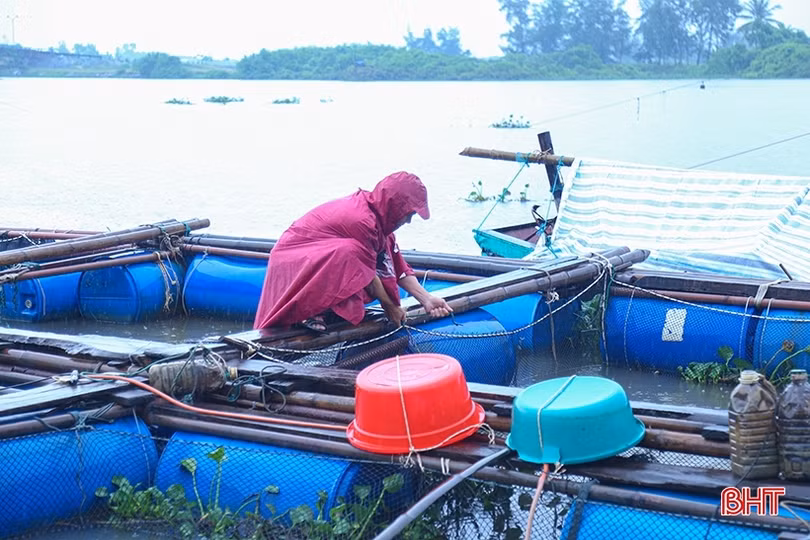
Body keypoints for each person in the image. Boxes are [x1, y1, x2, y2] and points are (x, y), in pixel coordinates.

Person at [253, 171, 453, 332]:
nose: (408, 221)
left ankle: (326, 311)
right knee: (350, 254)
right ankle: (308, 312)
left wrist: (426, 299)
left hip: (319, 260)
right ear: (395, 207)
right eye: (408, 214)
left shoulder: (381, 227)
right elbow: (366, 275)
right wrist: (390, 307)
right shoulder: (362, 222)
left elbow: (398, 268)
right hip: (294, 260)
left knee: (355, 257)